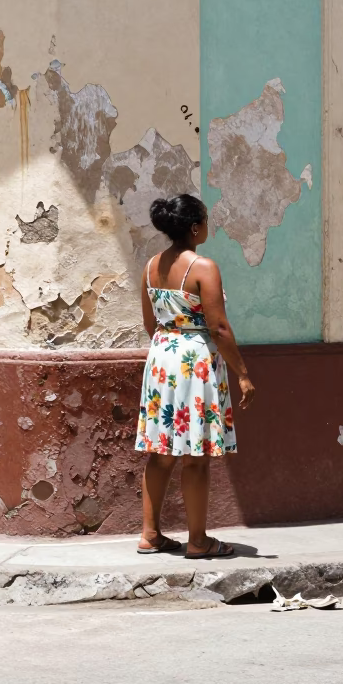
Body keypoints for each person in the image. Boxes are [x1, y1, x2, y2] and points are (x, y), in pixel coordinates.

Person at [136, 193, 256, 560]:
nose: (207, 227)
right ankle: (199, 541)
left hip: (161, 358)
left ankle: (150, 534)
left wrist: (169, 347)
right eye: (204, 221)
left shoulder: (151, 266)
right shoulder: (204, 267)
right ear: (194, 228)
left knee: (160, 453)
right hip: (194, 363)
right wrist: (243, 374)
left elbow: (149, 323)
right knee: (196, 456)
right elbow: (219, 327)